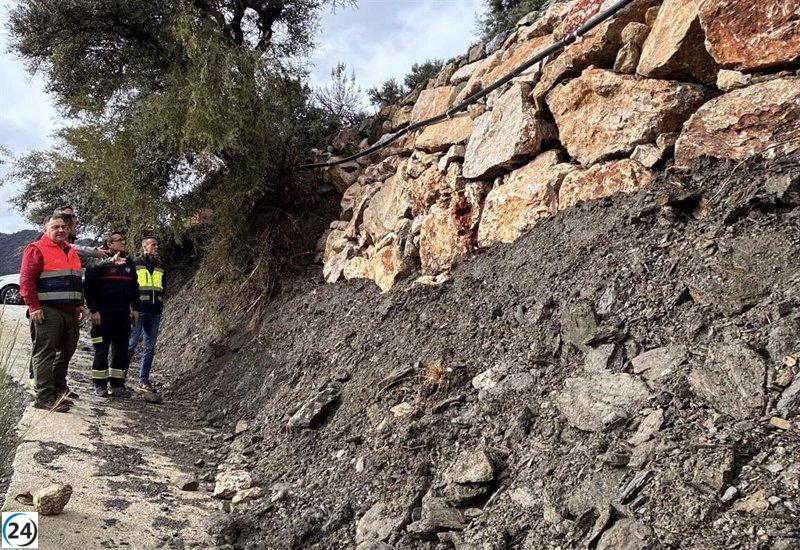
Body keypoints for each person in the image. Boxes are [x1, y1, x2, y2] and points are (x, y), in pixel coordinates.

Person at [19, 214, 86, 412]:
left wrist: (79, 303)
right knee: (45, 352)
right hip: (48, 310)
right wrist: (34, 307)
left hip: (70, 311)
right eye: (55, 226)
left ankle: (58, 391)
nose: (61, 230)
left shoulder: (71, 251)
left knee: (67, 350)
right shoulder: (36, 249)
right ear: (45, 229)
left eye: (64, 227)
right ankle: (44, 397)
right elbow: (26, 281)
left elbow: (75, 280)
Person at [85, 231, 140, 398]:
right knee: (101, 348)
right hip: (103, 314)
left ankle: (117, 385)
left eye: (123, 239)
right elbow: (89, 288)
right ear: (109, 244)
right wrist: (94, 310)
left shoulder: (128, 262)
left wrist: (135, 308)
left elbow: (134, 287)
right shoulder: (98, 261)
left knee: (121, 349)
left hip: (122, 314)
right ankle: (99, 384)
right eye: (119, 240)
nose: (123, 242)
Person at [128, 236, 164, 393]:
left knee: (149, 347)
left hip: (154, 312)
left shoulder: (160, 266)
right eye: (153, 245)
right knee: (131, 344)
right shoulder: (135, 264)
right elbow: (129, 286)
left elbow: (164, 286)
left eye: (157, 245)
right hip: (138, 311)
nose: (156, 247)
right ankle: (119, 378)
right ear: (144, 247)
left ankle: (143, 380)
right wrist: (131, 307)